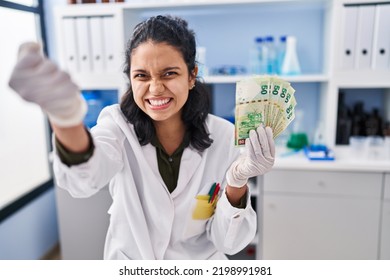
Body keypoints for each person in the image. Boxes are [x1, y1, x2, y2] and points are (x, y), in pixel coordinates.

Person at [8, 15, 275, 260]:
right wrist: (65, 117)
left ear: (192, 75)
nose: (155, 88)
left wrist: (236, 182)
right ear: (129, 79)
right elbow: (85, 179)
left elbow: (229, 242)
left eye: (169, 73)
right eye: (141, 76)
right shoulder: (116, 125)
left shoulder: (223, 136)